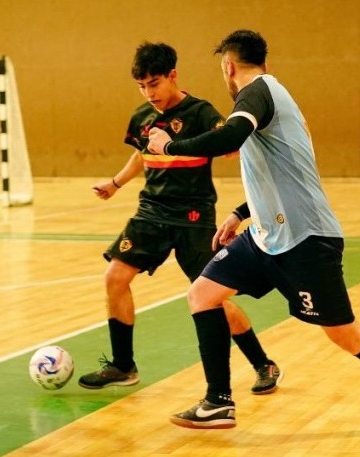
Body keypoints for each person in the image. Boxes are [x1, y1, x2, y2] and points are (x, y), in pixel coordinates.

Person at [148, 30, 360, 431]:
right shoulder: (269, 99)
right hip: (266, 237)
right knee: (202, 293)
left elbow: (230, 137)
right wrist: (239, 213)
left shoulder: (257, 92)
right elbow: (279, 174)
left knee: (343, 333)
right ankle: (218, 401)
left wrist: (168, 147)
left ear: (228, 67)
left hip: (306, 239)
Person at [78, 42, 283, 396]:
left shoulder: (201, 112)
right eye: (142, 86)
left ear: (173, 75)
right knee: (115, 276)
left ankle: (262, 363)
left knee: (211, 297)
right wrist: (115, 183)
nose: (149, 93)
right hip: (151, 213)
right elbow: (141, 156)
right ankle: (123, 365)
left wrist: (177, 142)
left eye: (154, 83)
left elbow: (231, 146)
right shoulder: (142, 116)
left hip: (193, 217)